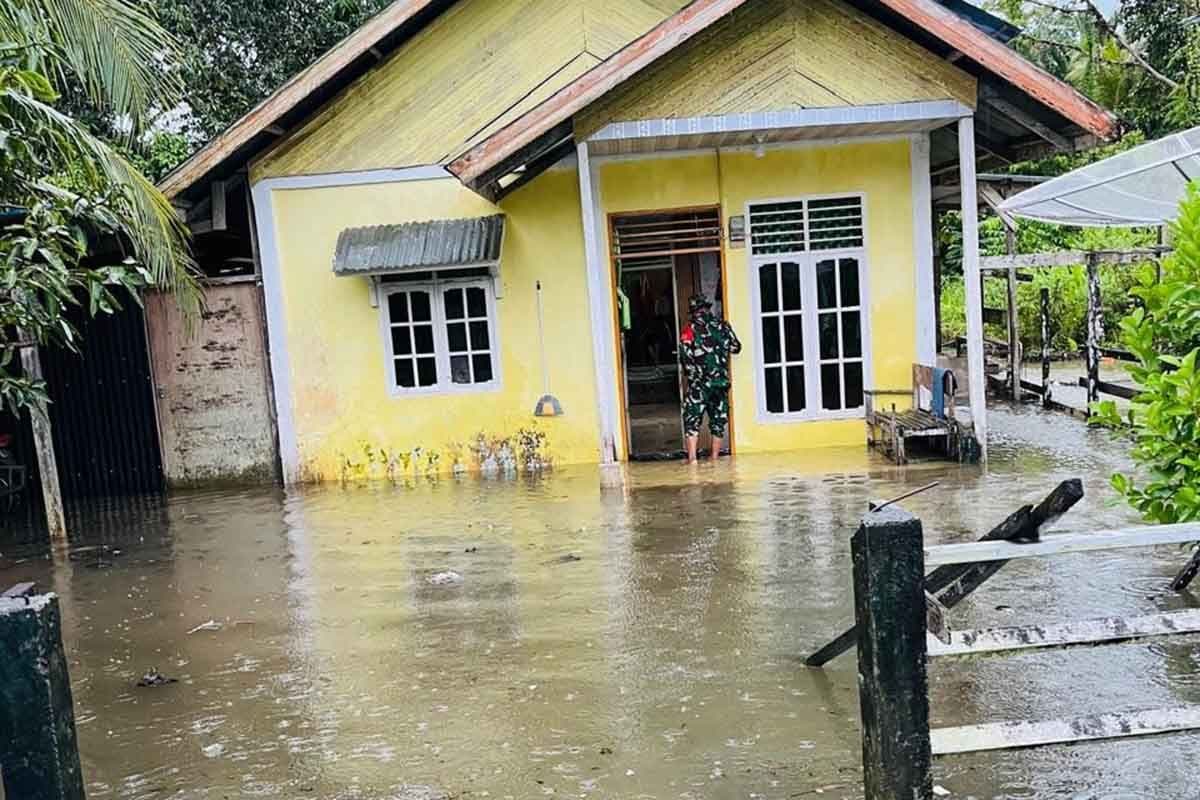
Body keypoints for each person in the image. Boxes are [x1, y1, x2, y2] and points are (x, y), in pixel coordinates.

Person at [679, 294, 741, 463]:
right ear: (707, 308)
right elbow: (736, 347)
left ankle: (692, 460)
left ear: (693, 312)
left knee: (692, 419)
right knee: (718, 421)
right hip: (720, 383)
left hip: (699, 385)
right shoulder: (723, 326)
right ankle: (714, 460)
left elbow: (685, 358)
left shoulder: (689, 330)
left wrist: (693, 378)